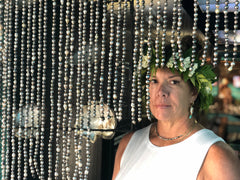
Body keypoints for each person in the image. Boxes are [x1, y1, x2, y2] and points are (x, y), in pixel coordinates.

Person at [112, 36, 240, 180]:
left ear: (193, 92)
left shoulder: (215, 155)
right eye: (154, 81)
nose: (161, 92)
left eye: (173, 82)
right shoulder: (129, 143)